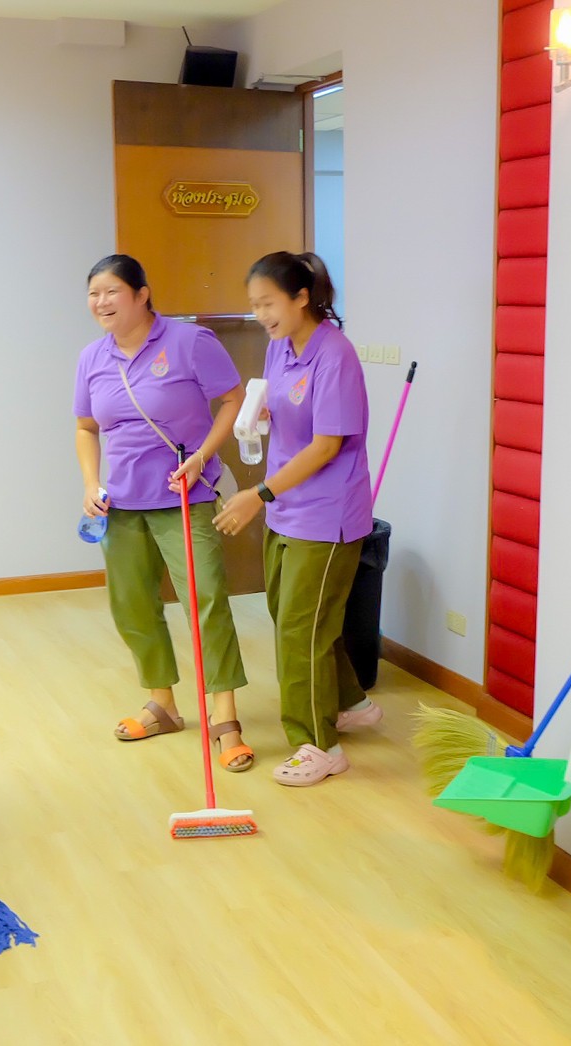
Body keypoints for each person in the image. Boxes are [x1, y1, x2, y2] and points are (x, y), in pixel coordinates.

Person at [74, 255, 253, 771]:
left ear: (141, 294)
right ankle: (163, 705)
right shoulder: (92, 357)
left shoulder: (189, 341)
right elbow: (86, 427)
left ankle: (225, 717)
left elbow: (233, 400)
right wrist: (90, 483)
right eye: (93, 294)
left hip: (184, 497)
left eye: (112, 291)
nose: (101, 302)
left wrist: (201, 457)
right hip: (121, 504)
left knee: (206, 600)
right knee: (132, 605)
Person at [214, 252, 373, 787]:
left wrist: (257, 495)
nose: (261, 315)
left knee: (302, 630)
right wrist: (264, 412)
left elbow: (327, 445)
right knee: (293, 617)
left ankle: (318, 745)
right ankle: (351, 702)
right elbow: (288, 407)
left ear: (302, 297)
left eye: (268, 303)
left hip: (327, 515)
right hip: (287, 507)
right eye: (254, 305)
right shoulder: (280, 346)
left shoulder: (336, 355)